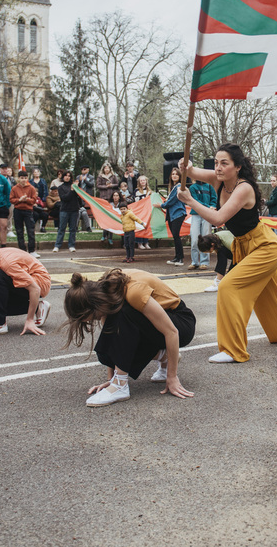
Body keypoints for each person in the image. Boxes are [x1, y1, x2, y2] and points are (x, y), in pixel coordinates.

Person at [177, 143, 277, 363]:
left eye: (224, 163)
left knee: (229, 286)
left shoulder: (244, 188)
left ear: (237, 166)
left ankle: (233, 350)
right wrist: (186, 166)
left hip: (265, 246)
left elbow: (219, 219)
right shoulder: (217, 180)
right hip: (245, 246)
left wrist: (191, 202)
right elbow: (191, 172)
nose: (218, 167)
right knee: (267, 295)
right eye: (216, 162)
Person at [63, 268, 196, 406]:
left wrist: (172, 377)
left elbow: (172, 332)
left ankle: (121, 386)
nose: (95, 321)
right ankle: (163, 357)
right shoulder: (105, 291)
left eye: (94, 317)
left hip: (182, 323)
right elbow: (113, 341)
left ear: (96, 304)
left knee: (123, 312)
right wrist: (111, 380)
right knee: (105, 354)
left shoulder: (132, 293)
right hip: (158, 326)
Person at [158, 168, 186, 266]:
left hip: (178, 213)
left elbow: (172, 201)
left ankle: (180, 258)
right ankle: (177, 257)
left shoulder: (178, 186)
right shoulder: (173, 187)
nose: (174, 176)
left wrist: (160, 205)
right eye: (173, 174)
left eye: (176, 174)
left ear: (180, 177)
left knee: (176, 236)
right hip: (172, 214)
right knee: (175, 236)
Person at [188, 179, 216, 270]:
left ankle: (204, 262)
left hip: (207, 214)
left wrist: (213, 206)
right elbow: (195, 201)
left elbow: (214, 198)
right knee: (195, 239)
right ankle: (194, 262)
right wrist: (208, 207)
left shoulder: (209, 186)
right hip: (196, 214)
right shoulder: (192, 187)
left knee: (206, 238)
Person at [10, 170, 39, 258]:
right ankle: (22, 250)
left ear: (27, 178)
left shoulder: (31, 188)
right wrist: (19, 200)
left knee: (30, 230)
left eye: (25, 178)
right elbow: (11, 199)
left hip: (28, 211)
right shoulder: (14, 188)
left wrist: (26, 200)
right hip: (18, 210)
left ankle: (32, 250)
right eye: (22, 178)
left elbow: (34, 200)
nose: (23, 180)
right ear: (18, 178)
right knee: (19, 231)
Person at [53, 170, 81, 253]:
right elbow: (64, 198)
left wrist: (76, 186)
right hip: (64, 210)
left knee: (73, 229)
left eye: (69, 176)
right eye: (66, 175)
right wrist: (72, 191)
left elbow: (79, 195)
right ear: (63, 177)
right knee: (62, 228)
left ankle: (71, 245)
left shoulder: (74, 186)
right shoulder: (60, 187)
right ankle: (57, 245)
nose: (67, 177)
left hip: (74, 210)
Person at [133, 175, 151, 249]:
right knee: (140, 226)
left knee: (146, 226)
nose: (143, 182)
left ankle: (146, 242)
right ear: (139, 182)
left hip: (147, 211)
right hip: (140, 211)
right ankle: (139, 243)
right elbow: (137, 201)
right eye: (141, 180)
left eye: (144, 180)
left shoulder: (149, 190)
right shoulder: (137, 191)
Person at [30, 168, 49, 233]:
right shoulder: (30, 182)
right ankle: (32, 227)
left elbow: (46, 191)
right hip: (33, 201)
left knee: (44, 214)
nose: (36, 173)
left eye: (37, 172)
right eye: (35, 172)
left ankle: (43, 227)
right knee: (35, 214)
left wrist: (44, 200)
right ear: (33, 173)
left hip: (41, 200)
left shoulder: (43, 181)